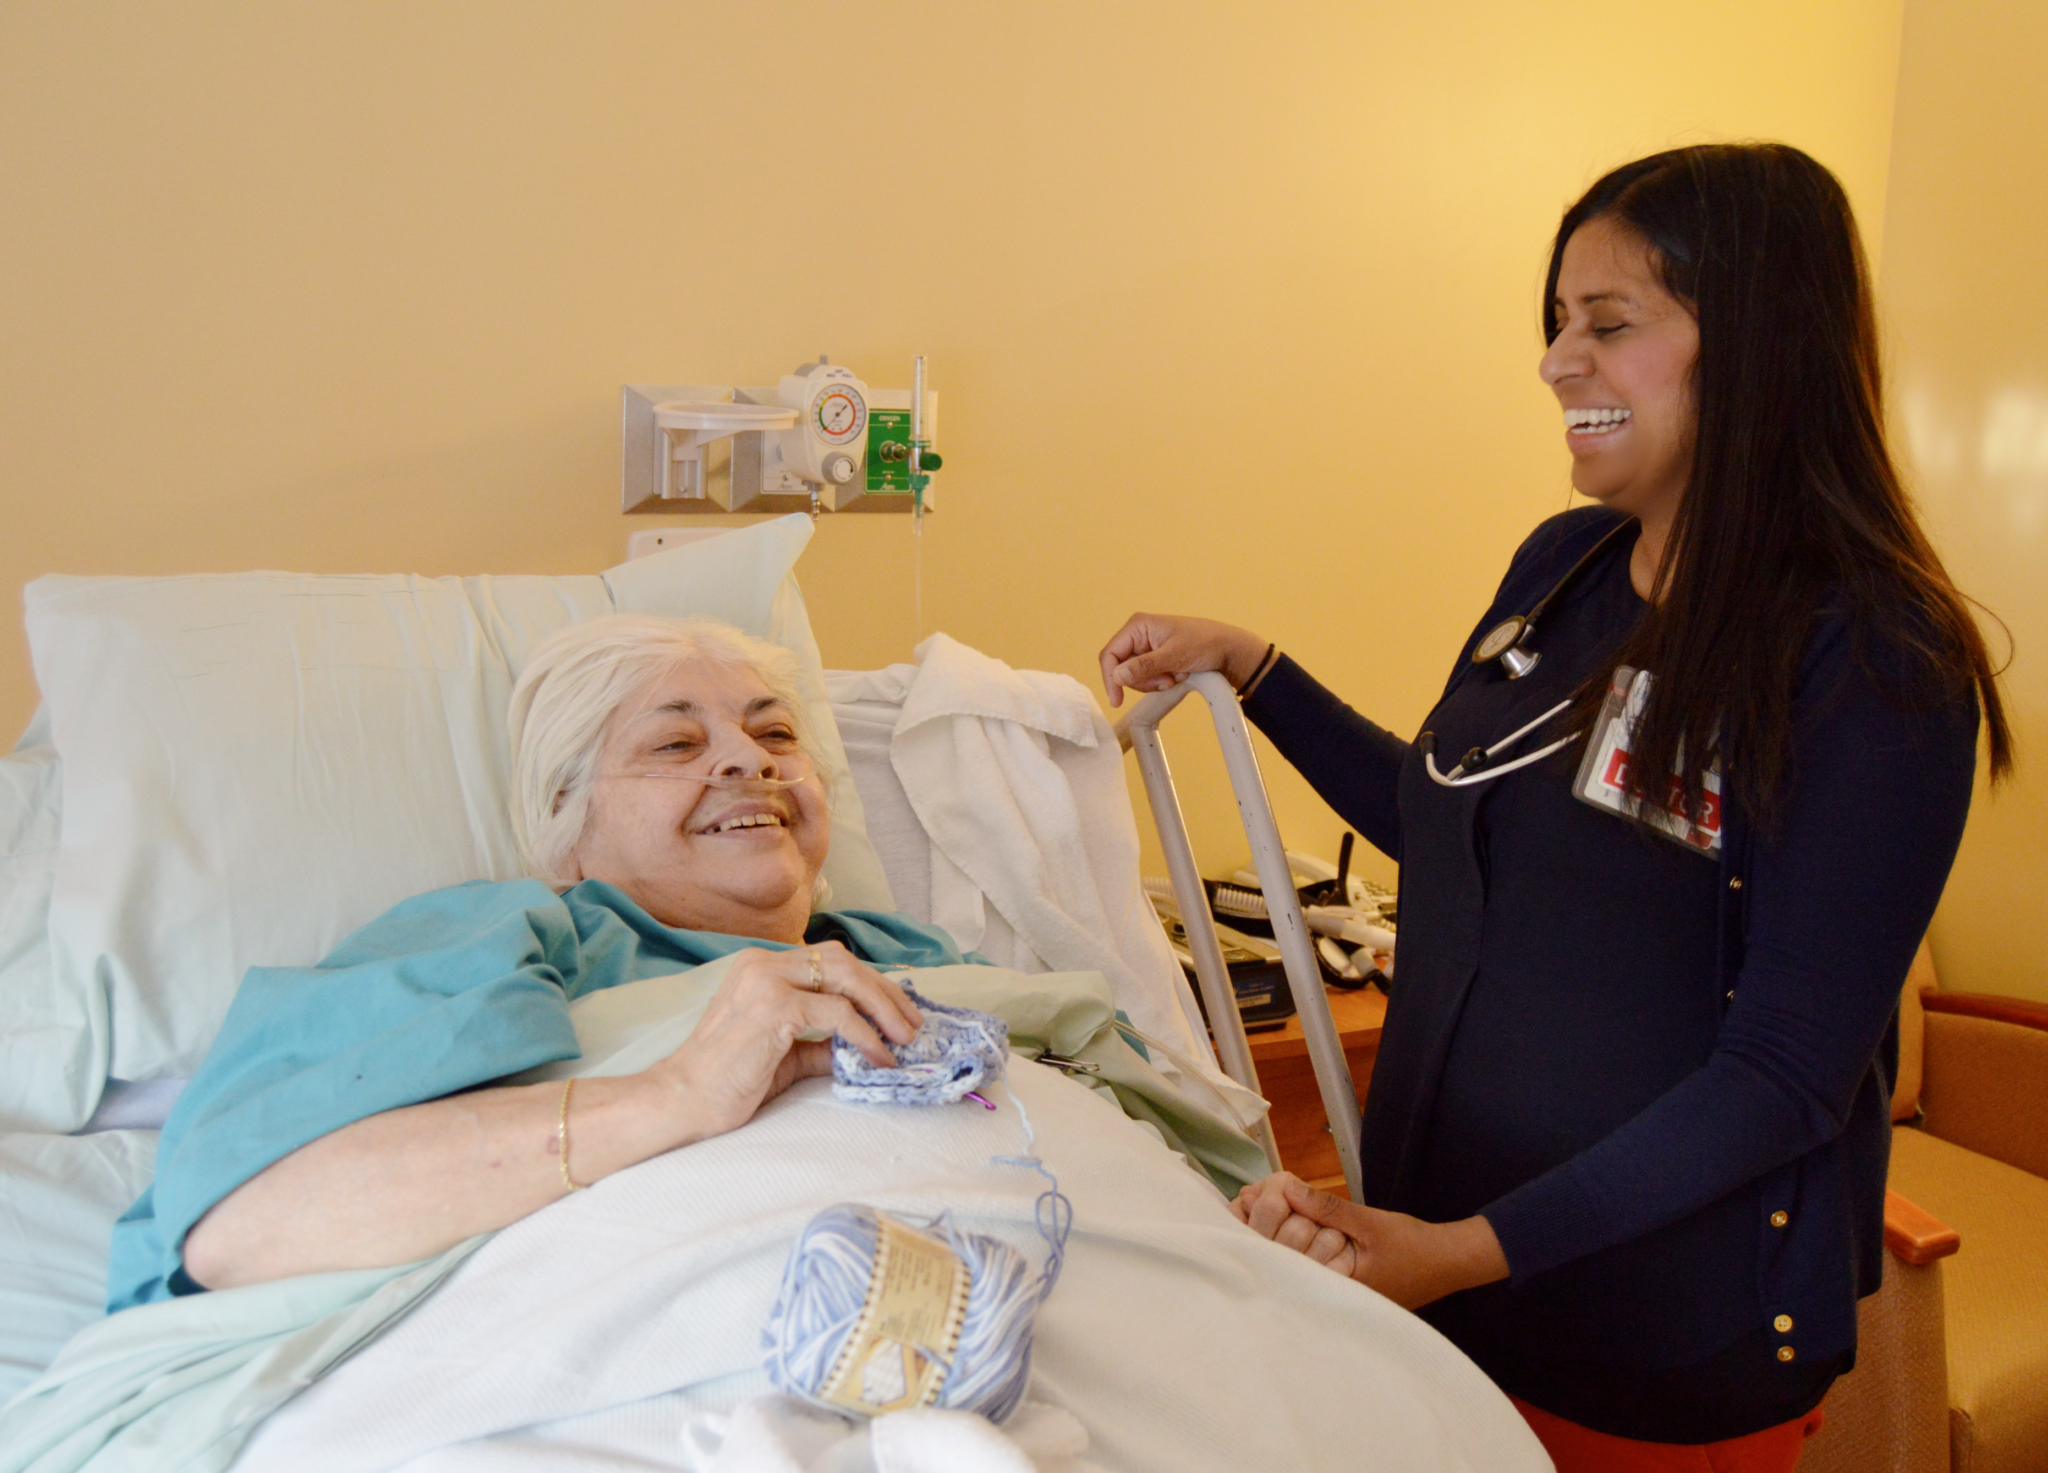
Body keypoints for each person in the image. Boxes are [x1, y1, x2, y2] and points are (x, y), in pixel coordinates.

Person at [1098, 143, 2010, 1472]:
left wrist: (1467, 1252)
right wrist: (1261, 672)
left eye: (1610, 324)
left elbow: (1785, 1080)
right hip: (1450, 1274)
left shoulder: (1872, 661)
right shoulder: (1565, 564)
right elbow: (1450, 821)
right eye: (1557, 325)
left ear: (1757, 340)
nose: (1557, 362)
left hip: (1652, 1330)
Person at [107, 615, 972, 1312]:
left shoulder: (911, 955)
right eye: (675, 745)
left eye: (775, 733)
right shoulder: (505, 936)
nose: (750, 760)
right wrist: (676, 1091)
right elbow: (241, 1233)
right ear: (566, 824)